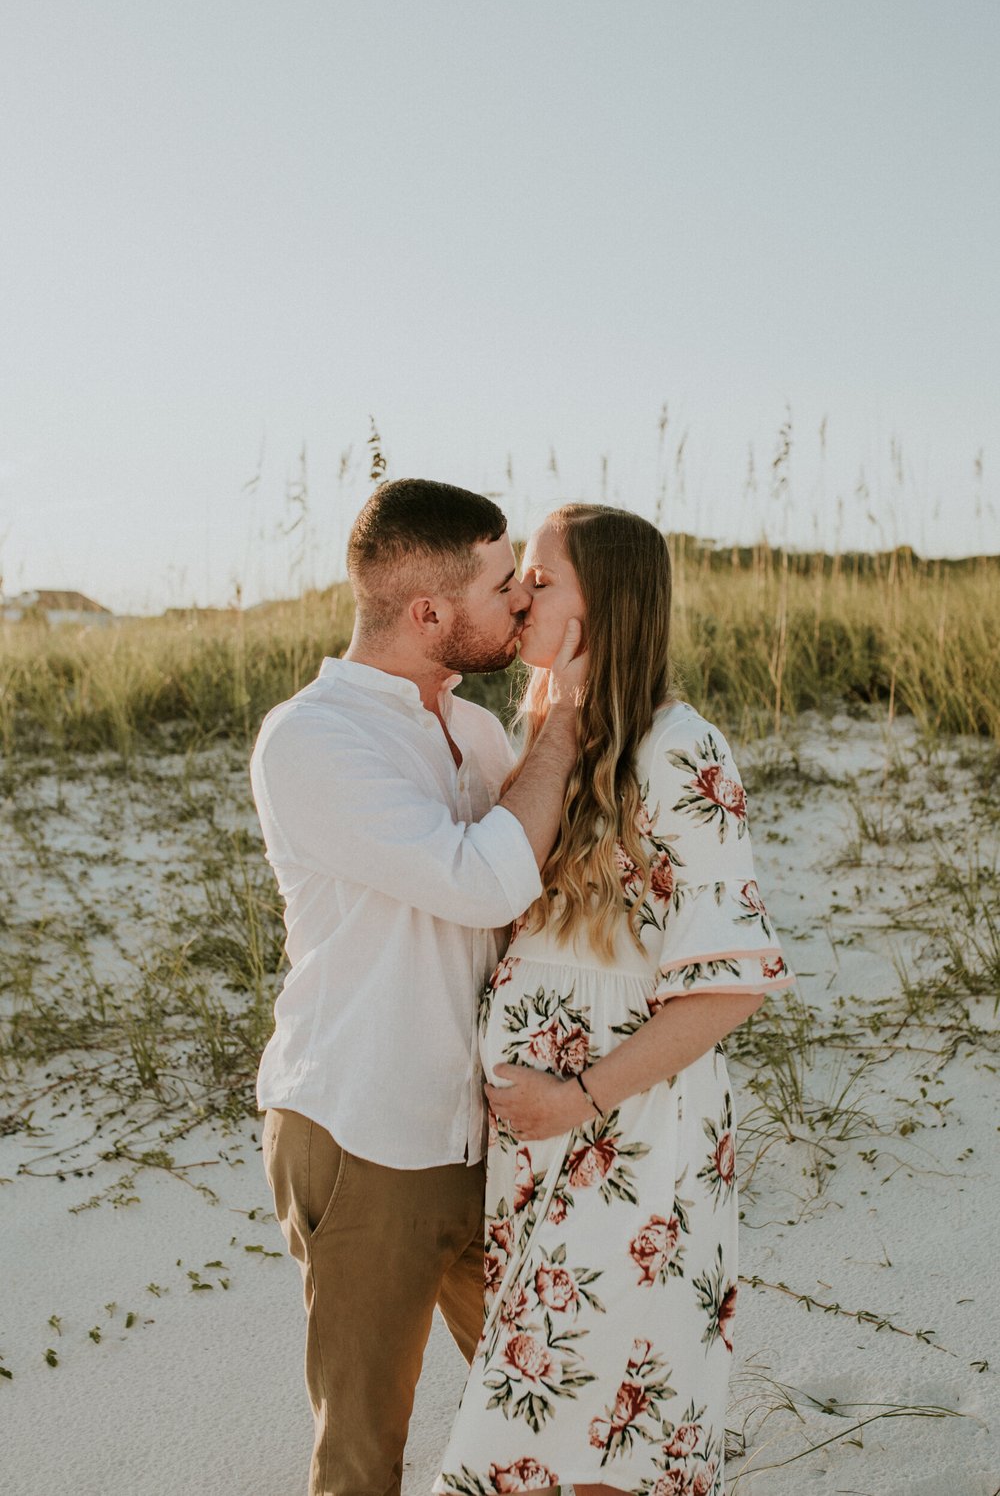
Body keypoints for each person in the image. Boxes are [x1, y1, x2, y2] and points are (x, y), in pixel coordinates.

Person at [434, 505, 794, 1496]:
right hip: (539, 1143)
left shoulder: (679, 749)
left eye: (542, 582)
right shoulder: (545, 732)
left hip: (627, 1135)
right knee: (570, 1411)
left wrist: (579, 1097)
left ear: (604, 605)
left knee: (599, 1414)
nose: (521, 597)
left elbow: (728, 986)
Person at [250, 479, 587, 1496]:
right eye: (501, 585)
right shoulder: (312, 739)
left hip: (484, 1131)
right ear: (429, 612)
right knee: (363, 1455)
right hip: (363, 1133)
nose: (520, 601)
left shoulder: (479, 737)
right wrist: (564, 721)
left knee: (549, 1404)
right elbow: (482, 879)